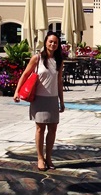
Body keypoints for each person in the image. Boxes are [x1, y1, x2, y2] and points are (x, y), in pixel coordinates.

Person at [14, 32, 65, 171]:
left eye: (55, 42)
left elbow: (59, 82)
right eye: (50, 41)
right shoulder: (37, 59)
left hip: (53, 98)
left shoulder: (59, 61)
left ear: (58, 44)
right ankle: (40, 158)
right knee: (40, 128)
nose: (52, 44)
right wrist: (17, 91)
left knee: (53, 129)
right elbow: (25, 74)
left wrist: (62, 100)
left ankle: (49, 157)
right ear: (45, 42)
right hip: (39, 98)